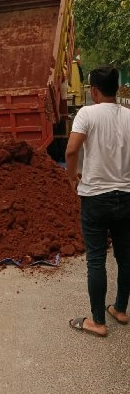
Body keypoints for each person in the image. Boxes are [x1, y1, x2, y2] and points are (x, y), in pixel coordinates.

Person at [66, 66, 130, 337]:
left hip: (94, 198)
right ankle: (120, 309)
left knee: (96, 259)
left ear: (93, 91)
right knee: (125, 258)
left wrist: (71, 178)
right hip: (126, 197)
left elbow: (71, 150)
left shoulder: (87, 113)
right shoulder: (129, 115)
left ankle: (97, 322)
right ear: (116, 88)